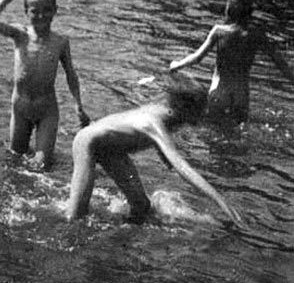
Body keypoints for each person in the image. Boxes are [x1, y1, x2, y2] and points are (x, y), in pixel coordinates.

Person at [66, 74, 243, 227]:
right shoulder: (155, 124)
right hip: (87, 143)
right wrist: (221, 201)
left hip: (112, 149)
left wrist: (164, 156)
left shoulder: (170, 116)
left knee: (142, 207)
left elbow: (158, 145)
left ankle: (119, 236)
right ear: (184, 109)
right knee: (75, 218)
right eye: (200, 109)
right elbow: (182, 167)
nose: (204, 114)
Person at [0, 0, 90, 171]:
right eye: (34, 11)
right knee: (15, 158)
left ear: (55, 11)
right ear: (26, 12)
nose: (41, 16)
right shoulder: (20, 35)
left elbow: (71, 74)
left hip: (46, 110)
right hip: (20, 107)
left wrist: (78, 105)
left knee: (41, 165)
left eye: (47, 10)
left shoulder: (60, 42)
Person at [169, 0, 294, 123]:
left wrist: (176, 65)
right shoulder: (257, 35)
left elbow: (197, 57)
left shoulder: (219, 31)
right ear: (250, 12)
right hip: (241, 95)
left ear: (228, 10)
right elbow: (280, 63)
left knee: (214, 132)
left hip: (219, 92)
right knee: (238, 135)